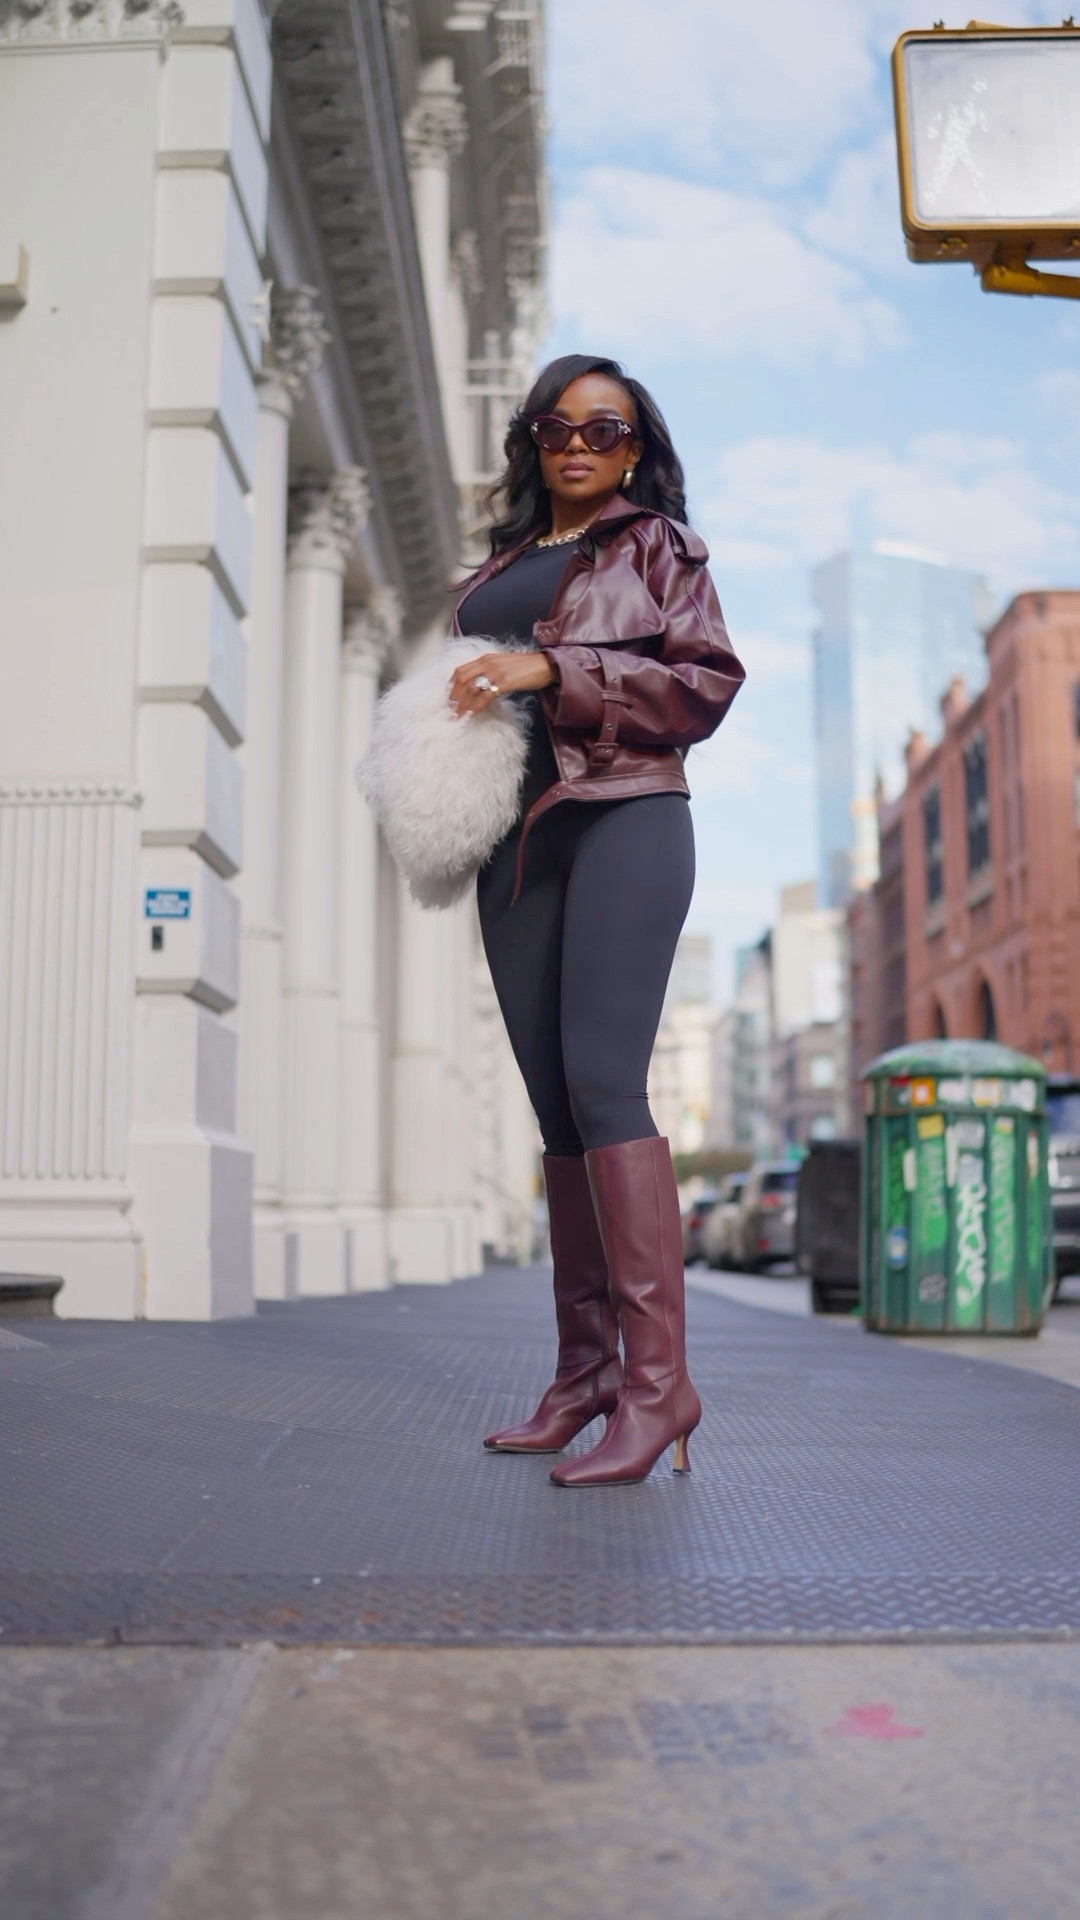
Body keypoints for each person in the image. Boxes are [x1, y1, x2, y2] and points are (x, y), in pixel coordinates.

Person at [449, 353, 745, 1487]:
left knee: (607, 1083)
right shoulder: (507, 561)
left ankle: (660, 1387)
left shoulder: (658, 548)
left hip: (622, 816)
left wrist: (551, 670)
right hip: (514, 841)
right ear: (532, 442)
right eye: (556, 427)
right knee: (555, 1108)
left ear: (634, 445)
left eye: (605, 428)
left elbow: (704, 685)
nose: (578, 444)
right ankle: (585, 1376)